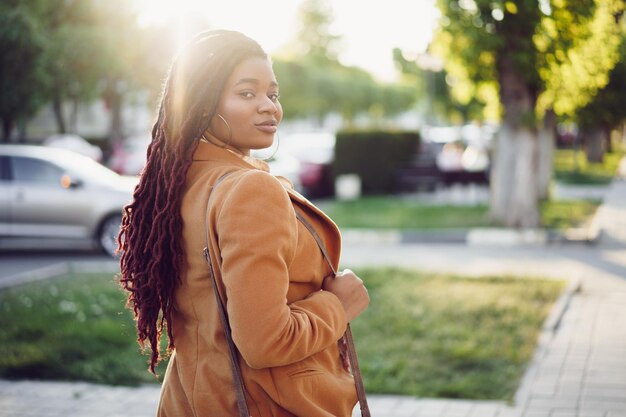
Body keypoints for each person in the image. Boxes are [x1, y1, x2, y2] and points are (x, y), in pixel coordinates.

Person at [118, 29, 370, 417]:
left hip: (194, 399)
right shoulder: (249, 189)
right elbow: (265, 342)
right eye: (247, 93)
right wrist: (338, 304)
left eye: (273, 93)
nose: (269, 106)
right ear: (202, 103)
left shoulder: (180, 183)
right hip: (264, 405)